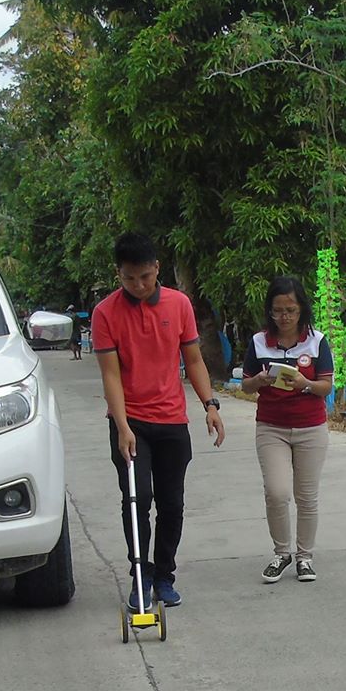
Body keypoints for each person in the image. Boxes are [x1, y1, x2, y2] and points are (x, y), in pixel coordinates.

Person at [93, 232, 226, 608]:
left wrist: (210, 405)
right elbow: (111, 375)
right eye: (128, 279)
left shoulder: (179, 305)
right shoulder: (106, 313)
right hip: (130, 421)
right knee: (137, 500)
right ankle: (141, 575)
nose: (137, 286)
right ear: (119, 274)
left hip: (171, 422)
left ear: (157, 269)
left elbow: (194, 360)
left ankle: (164, 575)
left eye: (145, 278)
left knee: (171, 503)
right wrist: (121, 426)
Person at [240, 275, 333, 582]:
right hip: (271, 426)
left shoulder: (317, 341)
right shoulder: (257, 342)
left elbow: (326, 386)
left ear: (301, 309)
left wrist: (306, 383)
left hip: (310, 426)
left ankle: (305, 557)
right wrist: (259, 381)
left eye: (290, 310)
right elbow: (245, 386)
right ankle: (282, 552)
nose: (284, 317)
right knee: (277, 492)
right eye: (278, 311)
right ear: (269, 311)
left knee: (306, 495)